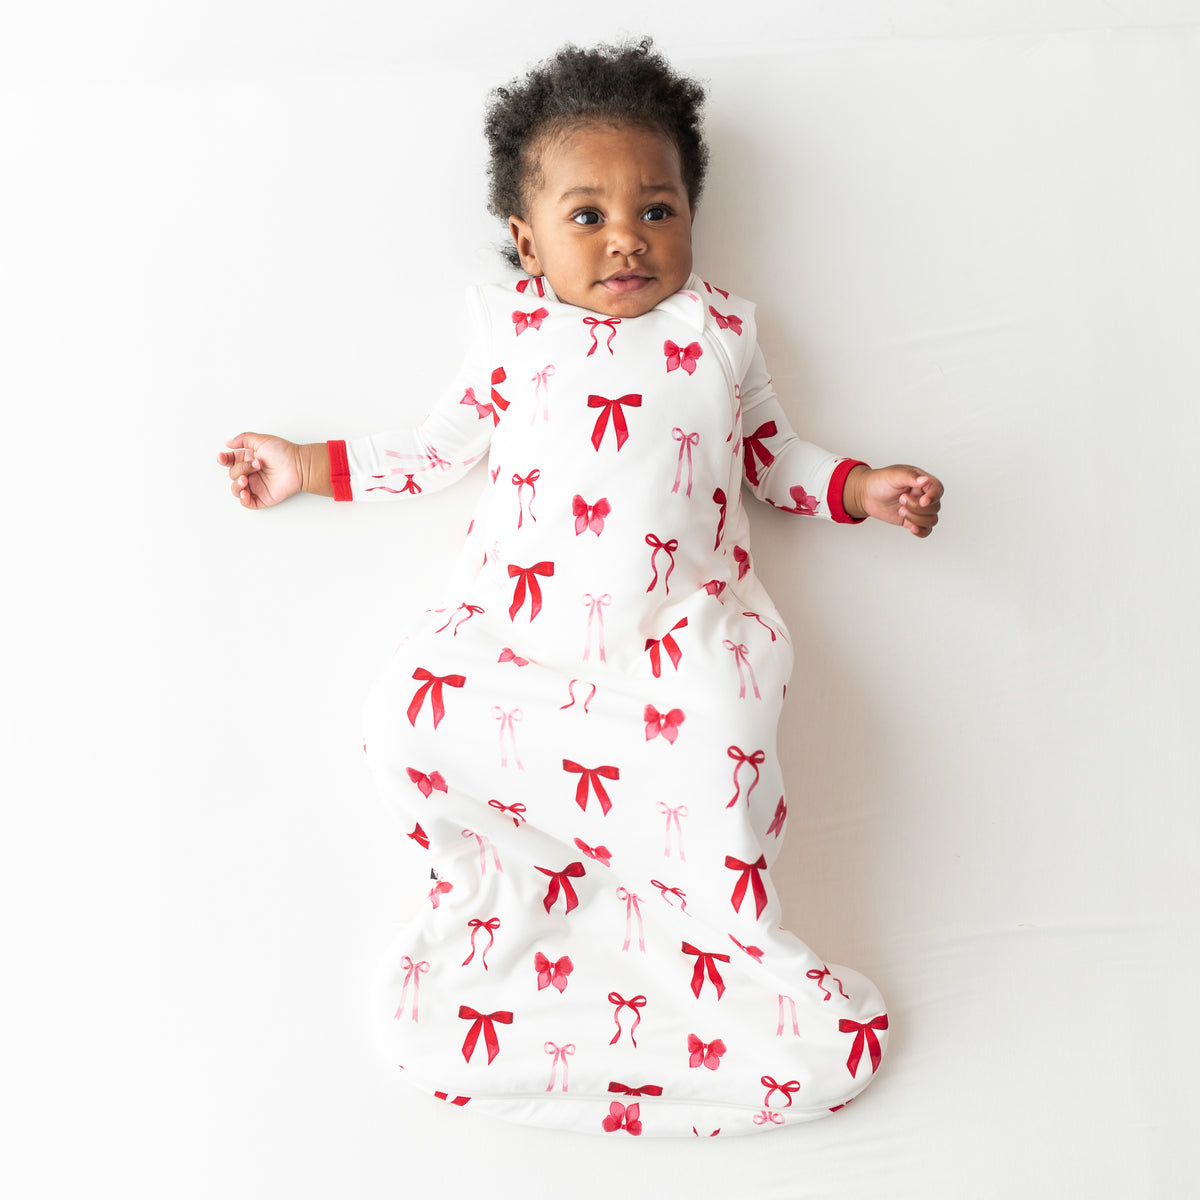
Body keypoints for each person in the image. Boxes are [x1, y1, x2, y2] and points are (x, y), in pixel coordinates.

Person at [217, 39, 942, 1138]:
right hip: (524, 636)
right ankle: (517, 906)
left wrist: (862, 487)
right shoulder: (516, 335)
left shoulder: (718, 334)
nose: (626, 242)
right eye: (587, 217)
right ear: (526, 241)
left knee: (715, 743)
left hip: (678, 635)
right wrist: (305, 465)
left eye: (657, 212)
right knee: (404, 720)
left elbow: (769, 459)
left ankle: (707, 936)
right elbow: (434, 450)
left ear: (693, 220)